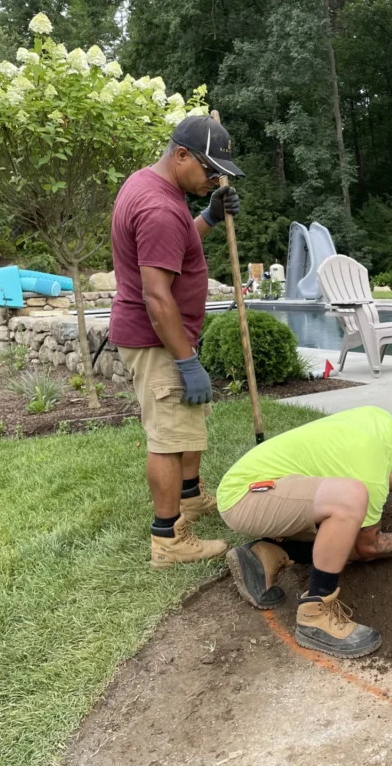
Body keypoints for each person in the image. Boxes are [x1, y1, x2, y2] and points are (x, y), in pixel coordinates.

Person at [215, 406, 392, 658]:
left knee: (345, 528)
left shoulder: (380, 423)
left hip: (266, 487)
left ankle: (266, 554)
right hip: (245, 498)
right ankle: (315, 616)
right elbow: (369, 547)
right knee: (351, 506)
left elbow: (375, 475)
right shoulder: (369, 464)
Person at [110, 115, 243, 569]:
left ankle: (190, 497)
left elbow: (176, 244)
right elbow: (156, 295)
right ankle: (169, 537)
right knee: (167, 437)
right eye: (208, 170)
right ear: (181, 155)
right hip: (159, 340)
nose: (213, 179)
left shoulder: (150, 185)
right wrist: (186, 361)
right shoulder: (161, 208)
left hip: (164, 337)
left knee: (186, 422)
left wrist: (207, 218)